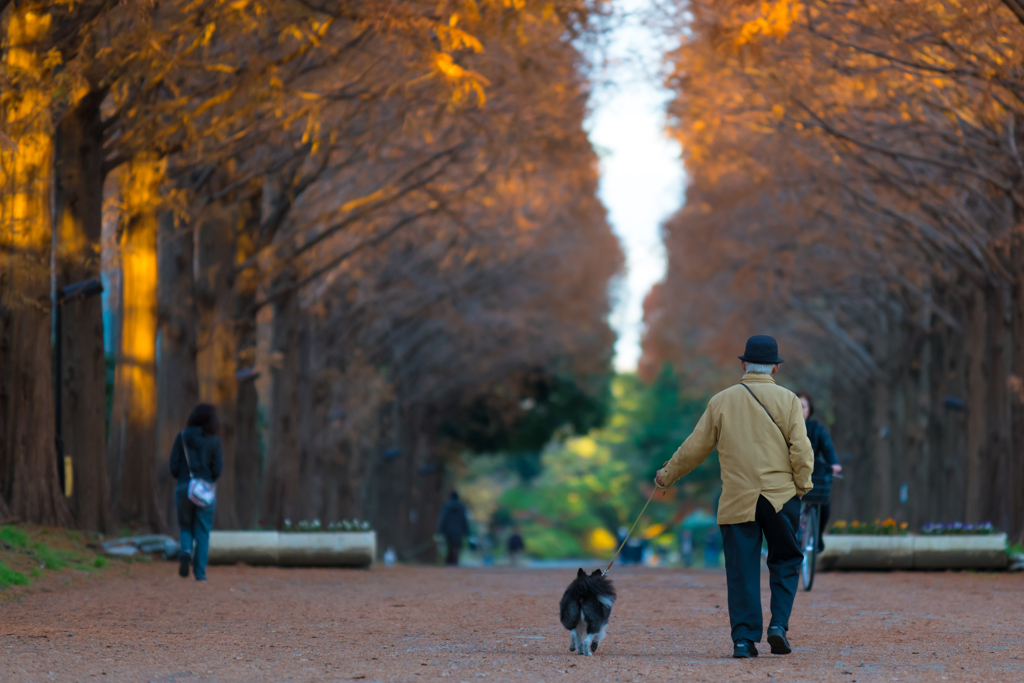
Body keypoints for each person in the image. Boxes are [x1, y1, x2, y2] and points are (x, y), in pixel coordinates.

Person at [654, 335, 814, 659]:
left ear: (743, 364)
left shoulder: (721, 401)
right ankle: (778, 626)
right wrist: (802, 486)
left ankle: (744, 640)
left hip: (738, 500)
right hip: (780, 498)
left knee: (742, 570)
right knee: (786, 560)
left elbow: (694, 448)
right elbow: (801, 448)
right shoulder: (788, 401)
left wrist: (666, 475)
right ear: (775, 369)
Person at [168, 404, 223, 582]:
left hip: (184, 487)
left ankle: (185, 551)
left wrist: (184, 478)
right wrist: (207, 478)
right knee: (203, 531)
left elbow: (173, 467)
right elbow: (217, 469)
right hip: (205, 490)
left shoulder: (182, 436)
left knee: (185, 526)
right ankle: (200, 573)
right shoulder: (214, 440)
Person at [796, 391, 841, 551]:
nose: (800, 410)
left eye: (803, 406)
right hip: (791, 473)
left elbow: (827, 447)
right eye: (797, 406)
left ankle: (817, 535)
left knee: (824, 503)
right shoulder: (785, 428)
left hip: (814, 473)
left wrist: (834, 463)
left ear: (809, 410)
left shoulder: (816, 429)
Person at [436, 491, 469, 566]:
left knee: (448, 546)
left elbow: (443, 519)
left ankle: (448, 563)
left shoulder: (446, 506)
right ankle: (454, 561)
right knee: (456, 547)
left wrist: (440, 531)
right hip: (458, 530)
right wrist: (466, 532)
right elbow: (464, 520)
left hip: (448, 530)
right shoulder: (461, 506)